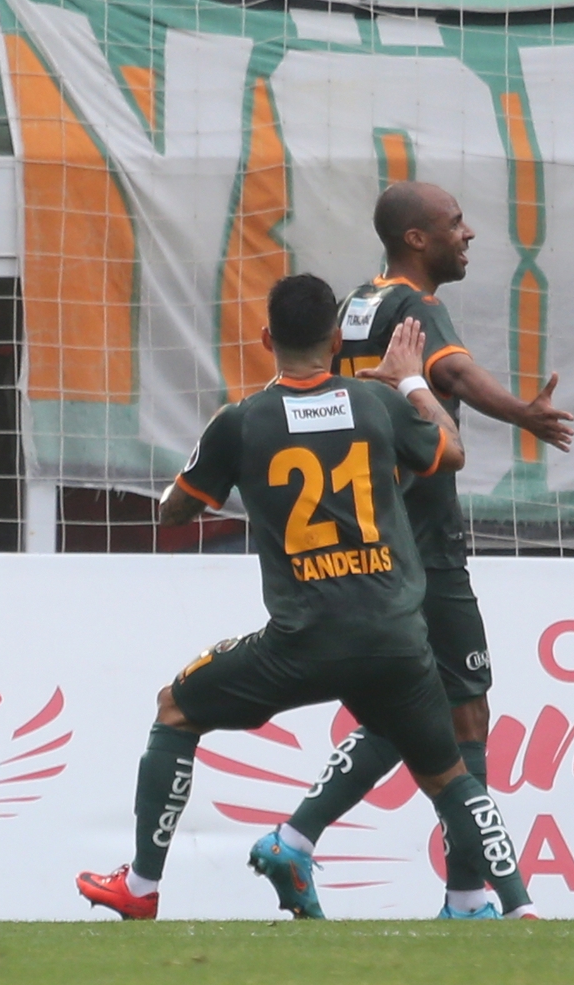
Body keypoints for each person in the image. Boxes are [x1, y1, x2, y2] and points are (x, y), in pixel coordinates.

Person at [75, 275, 535, 920]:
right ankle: (517, 910)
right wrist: (407, 381)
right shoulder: (376, 406)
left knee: (176, 710)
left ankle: (143, 889)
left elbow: (177, 510)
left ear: (267, 339)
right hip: (397, 642)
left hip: (302, 643)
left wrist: (221, 462)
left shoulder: (241, 421)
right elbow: (451, 452)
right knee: (452, 777)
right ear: (333, 339)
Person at [252, 181, 574, 921]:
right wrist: (523, 413)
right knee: (465, 718)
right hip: (425, 546)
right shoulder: (414, 305)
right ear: (417, 239)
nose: (469, 234)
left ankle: (298, 840)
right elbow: (452, 374)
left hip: (376, 536)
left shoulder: (357, 305)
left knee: (407, 713)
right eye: (455, 223)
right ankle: (465, 898)